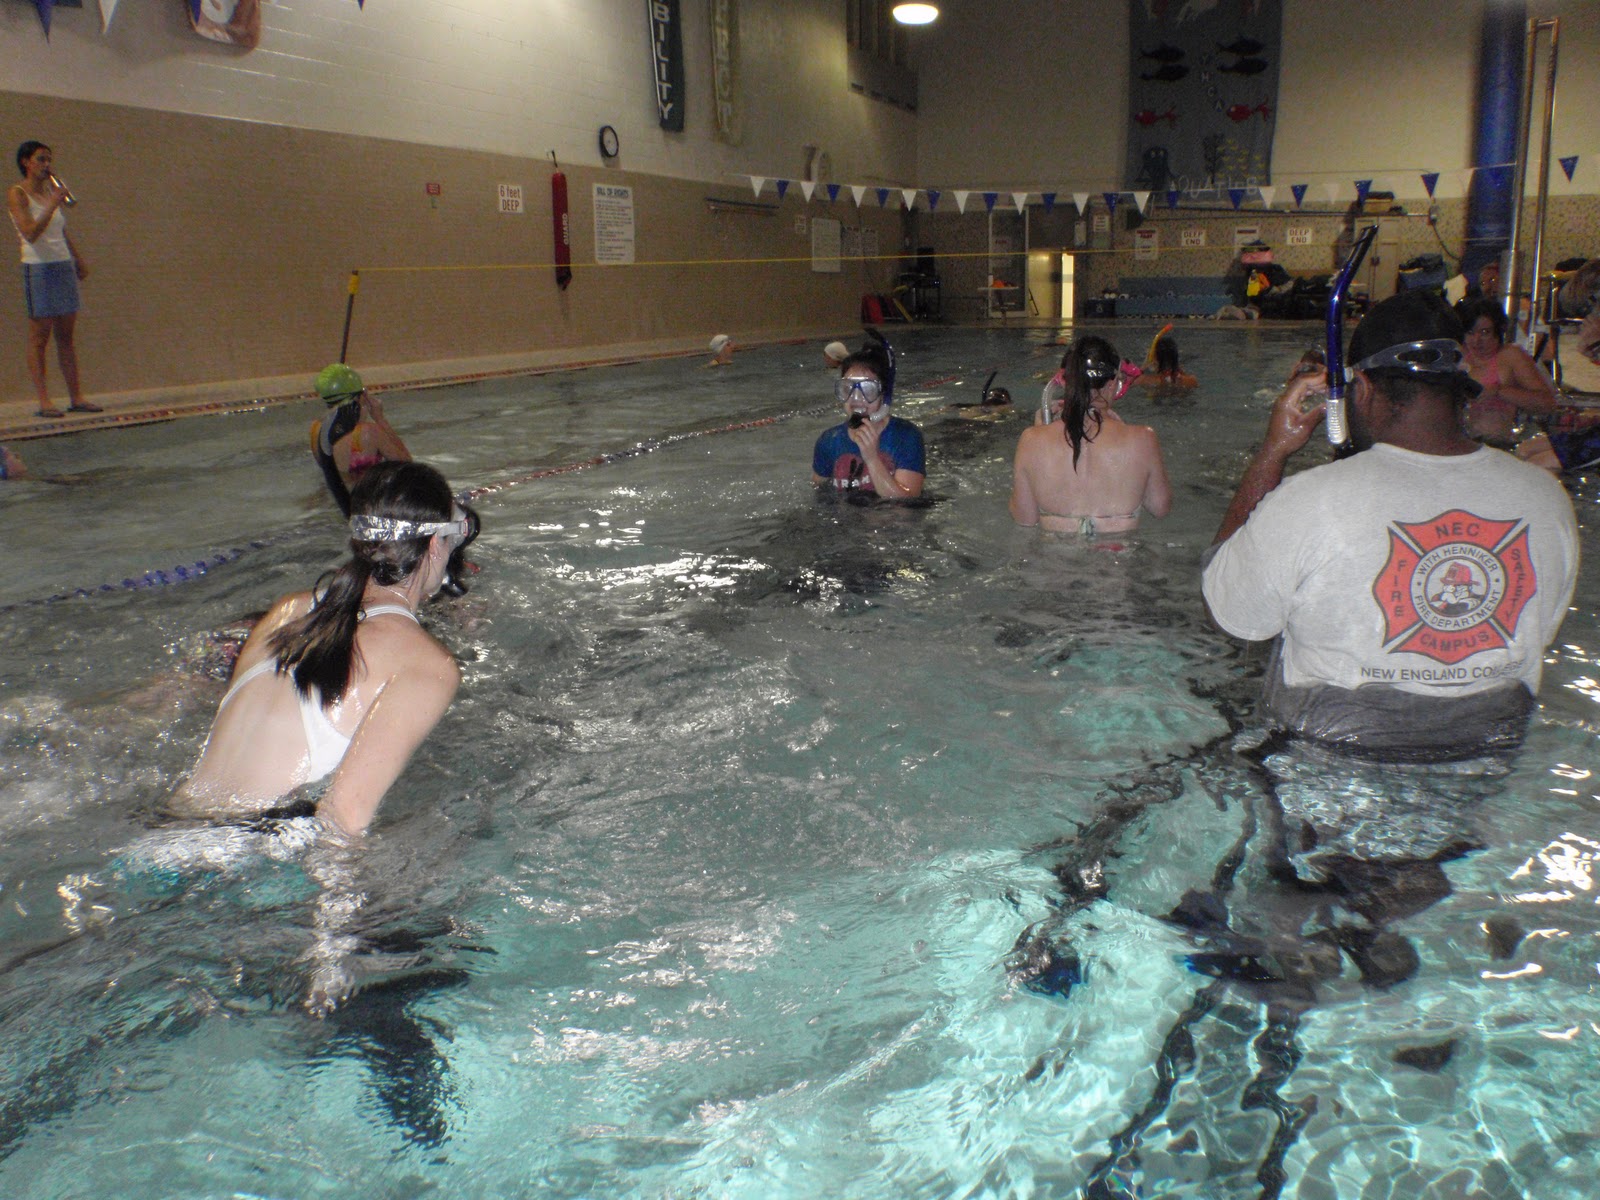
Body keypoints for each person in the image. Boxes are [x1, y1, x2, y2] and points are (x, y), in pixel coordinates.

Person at [1202, 289, 1579, 760]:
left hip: (1328, 756)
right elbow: (1535, 635)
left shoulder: (1311, 499)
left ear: (1362, 390)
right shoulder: (1547, 498)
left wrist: (1273, 451)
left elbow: (1231, 615)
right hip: (1485, 755)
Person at [170, 461, 477, 836]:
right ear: (433, 545)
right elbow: (342, 816)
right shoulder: (425, 663)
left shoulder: (287, 611)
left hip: (163, 832)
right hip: (236, 860)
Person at [1010, 335, 1172, 537]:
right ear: (1113, 384)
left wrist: (1039, 433)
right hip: (1120, 561)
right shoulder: (1143, 439)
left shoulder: (1031, 440)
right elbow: (1160, 508)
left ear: (1063, 382)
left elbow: (1025, 519)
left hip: (1055, 563)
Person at [8, 141, 100, 418]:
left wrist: (77, 259)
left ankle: (76, 397)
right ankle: (44, 400)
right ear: (26, 161)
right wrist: (50, 204)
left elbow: (60, 231)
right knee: (40, 337)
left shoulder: (49, 190)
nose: (47, 165)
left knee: (66, 336)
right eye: (41, 159)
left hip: (61, 265)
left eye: (49, 159)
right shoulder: (17, 193)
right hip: (38, 268)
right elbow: (31, 232)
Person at [811, 341, 924, 498]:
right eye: (847, 388)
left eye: (867, 389)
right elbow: (820, 496)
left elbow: (906, 505)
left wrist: (871, 458)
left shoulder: (906, 436)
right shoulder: (828, 441)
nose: (856, 398)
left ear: (883, 394)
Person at [309, 362, 412, 517]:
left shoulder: (316, 430)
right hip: (368, 508)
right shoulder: (369, 432)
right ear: (359, 398)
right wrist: (380, 418)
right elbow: (407, 465)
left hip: (338, 505)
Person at [1456, 297, 1556, 446]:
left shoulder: (1511, 356)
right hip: (1460, 441)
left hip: (1497, 442)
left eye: (1485, 332)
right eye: (1470, 333)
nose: (1477, 340)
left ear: (1498, 331)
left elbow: (1547, 404)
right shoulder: (1457, 356)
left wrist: (1499, 391)